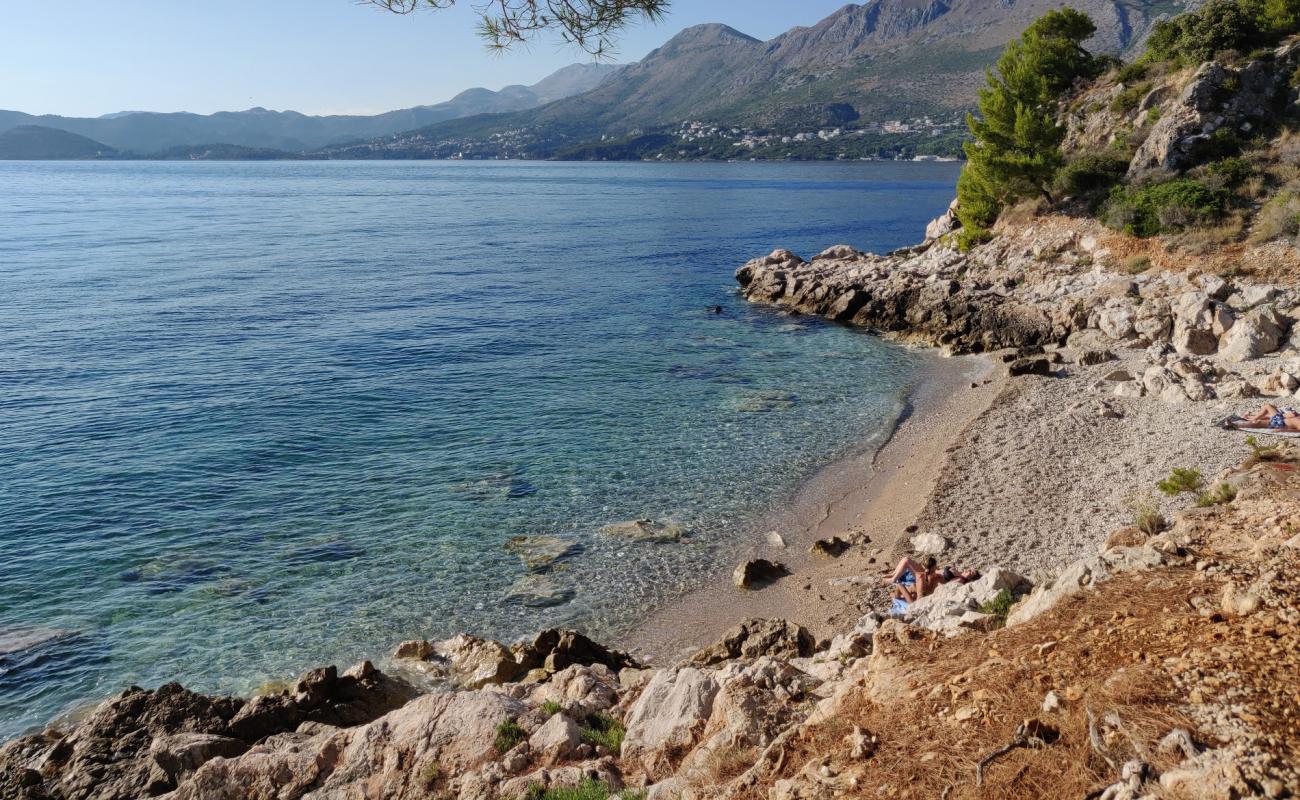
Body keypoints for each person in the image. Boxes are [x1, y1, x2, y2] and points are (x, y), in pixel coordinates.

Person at [1223, 404, 1300, 431]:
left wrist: (1281, 431)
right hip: (1281, 420)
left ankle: (1234, 425)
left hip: (1280, 424)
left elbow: (1297, 431)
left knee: (1258, 423)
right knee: (1267, 409)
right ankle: (1250, 418)